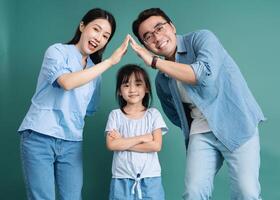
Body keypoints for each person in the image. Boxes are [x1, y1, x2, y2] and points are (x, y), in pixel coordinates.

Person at [130, 8, 265, 200]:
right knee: (193, 193)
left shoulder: (201, 39)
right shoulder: (162, 80)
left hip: (237, 123)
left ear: (172, 26)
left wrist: (154, 62)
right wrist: (194, 125)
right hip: (201, 133)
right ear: (145, 45)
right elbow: (175, 114)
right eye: (148, 36)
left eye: (159, 28)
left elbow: (204, 75)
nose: (157, 37)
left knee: (247, 191)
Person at [18, 8, 129, 200]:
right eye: (96, 29)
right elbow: (66, 83)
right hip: (39, 136)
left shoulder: (96, 74)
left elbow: (88, 109)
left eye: (105, 36)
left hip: (72, 143)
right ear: (82, 26)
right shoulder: (57, 51)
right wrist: (110, 62)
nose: (99, 38)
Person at [105, 64, 168, 200]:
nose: (132, 89)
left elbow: (156, 146)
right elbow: (112, 145)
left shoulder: (153, 114)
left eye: (138, 84)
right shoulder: (115, 115)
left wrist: (123, 141)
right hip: (121, 178)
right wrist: (143, 137)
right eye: (126, 85)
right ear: (119, 91)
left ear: (146, 89)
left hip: (150, 178)